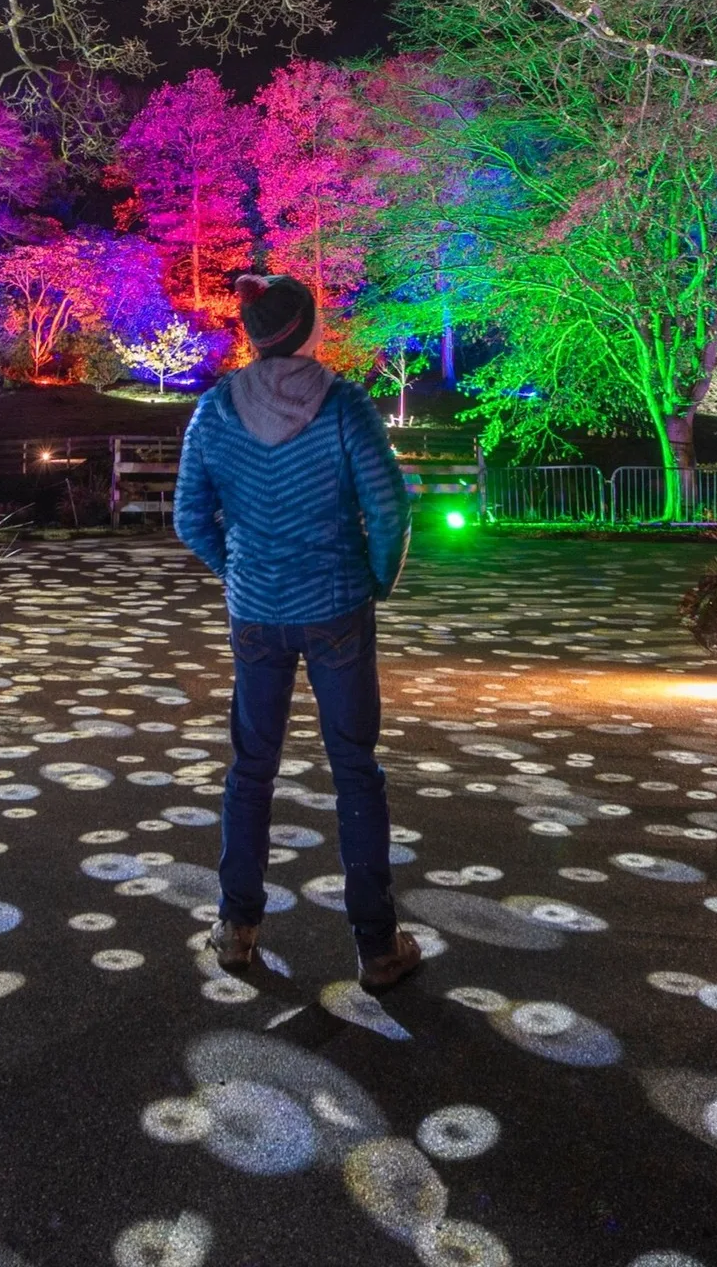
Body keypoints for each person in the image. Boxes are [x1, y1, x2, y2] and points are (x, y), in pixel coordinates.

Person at [173, 272, 421, 990]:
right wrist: (377, 578)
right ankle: (376, 946)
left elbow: (191, 519)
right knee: (356, 771)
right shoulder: (344, 406)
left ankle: (237, 928)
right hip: (338, 607)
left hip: (257, 615)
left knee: (251, 769)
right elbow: (391, 509)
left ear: (254, 336)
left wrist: (240, 571)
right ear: (310, 328)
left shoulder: (214, 410)